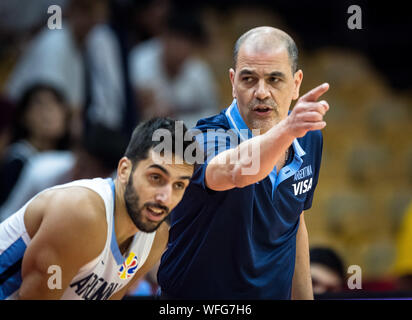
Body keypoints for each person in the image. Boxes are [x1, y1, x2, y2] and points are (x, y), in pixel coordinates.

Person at [157, 26, 330, 299]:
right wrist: (287, 130)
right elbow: (238, 170)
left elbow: (294, 224)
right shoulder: (200, 140)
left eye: (275, 80)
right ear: (233, 82)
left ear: (296, 83)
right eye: (249, 79)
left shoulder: (308, 138)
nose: (261, 92)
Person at [0, 118, 196, 300]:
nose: (165, 197)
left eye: (178, 185)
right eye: (156, 178)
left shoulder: (154, 240)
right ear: (124, 170)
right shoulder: (81, 215)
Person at [129, 9, 219, 129]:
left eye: (187, 43)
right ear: (164, 37)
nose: (181, 49)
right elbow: (139, 105)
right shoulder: (141, 58)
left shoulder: (198, 70)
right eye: (177, 41)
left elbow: (214, 113)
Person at [0, 84, 70, 206]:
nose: (48, 112)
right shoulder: (17, 161)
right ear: (23, 116)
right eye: (39, 104)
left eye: (56, 104)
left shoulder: (70, 161)